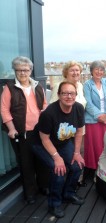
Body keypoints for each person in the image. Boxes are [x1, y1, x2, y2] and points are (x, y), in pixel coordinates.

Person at [31, 81, 85, 218]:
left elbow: (79, 131)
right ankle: (54, 204)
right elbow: (44, 139)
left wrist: (77, 153)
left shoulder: (78, 108)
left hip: (63, 142)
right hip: (42, 144)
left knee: (77, 165)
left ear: (76, 95)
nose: (68, 96)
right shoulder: (48, 113)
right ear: (59, 95)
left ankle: (68, 194)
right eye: (65, 93)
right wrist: (57, 157)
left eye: (72, 93)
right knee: (59, 171)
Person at [1, 56, 49, 204]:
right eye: (19, 70)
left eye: (25, 70)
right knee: (26, 164)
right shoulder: (9, 88)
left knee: (41, 160)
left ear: (30, 71)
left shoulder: (38, 86)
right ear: (15, 71)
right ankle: (30, 193)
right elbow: (4, 110)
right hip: (21, 133)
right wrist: (11, 128)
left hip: (38, 131)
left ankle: (44, 186)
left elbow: (45, 106)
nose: (22, 73)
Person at [82, 60, 106, 184]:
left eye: (101, 70)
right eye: (96, 69)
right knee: (96, 147)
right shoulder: (87, 84)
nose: (99, 72)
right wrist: (99, 116)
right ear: (91, 71)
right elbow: (88, 103)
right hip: (93, 120)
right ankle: (97, 172)